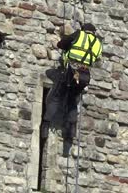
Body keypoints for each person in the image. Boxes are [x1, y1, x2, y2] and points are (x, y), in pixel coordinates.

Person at [41, 23, 103, 155]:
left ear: (84, 30)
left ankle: (45, 125)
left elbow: (61, 44)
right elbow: (97, 59)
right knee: (72, 102)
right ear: (94, 32)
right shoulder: (98, 43)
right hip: (84, 76)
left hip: (70, 71)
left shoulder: (78, 35)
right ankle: (71, 130)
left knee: (56, 97)